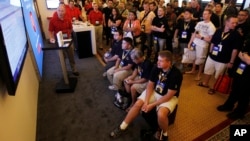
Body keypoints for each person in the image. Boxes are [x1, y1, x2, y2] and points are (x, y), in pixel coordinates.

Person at [110, 50, 183, 141]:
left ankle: (164, 134)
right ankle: (122, 127)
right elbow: (150, 85)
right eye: (158, 60)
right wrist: (146, 101)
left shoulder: (176, 74)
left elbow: (169, 95)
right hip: (155, 92)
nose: (157, 62)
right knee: (137, 104)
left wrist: (151, 105)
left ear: (169, 62)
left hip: (169, 97)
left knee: (161, 114)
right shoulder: (156, 67)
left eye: (161, 61)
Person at [197, 15, 242, 94]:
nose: (235, 24)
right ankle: (205, 83)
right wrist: (210, 52)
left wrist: (231, 62)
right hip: (212, 56)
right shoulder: (218, 31)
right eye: (233, 23)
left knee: (218, 75)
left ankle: (214, 87)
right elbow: (213, 42)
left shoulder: (236, 35)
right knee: (208, 70)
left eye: (236, 23)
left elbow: (235, 50)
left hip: (223, 59)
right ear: (226, 22)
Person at [217, 33, 250, 120]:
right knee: (235, 87)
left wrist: (244, 56)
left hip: (248, 71)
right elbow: (241, 53)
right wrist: (244, 56)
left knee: (245, 92)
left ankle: (240, 112)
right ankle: (229, 105)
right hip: (242, 66)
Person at [49, 4, 79, 76]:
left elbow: (70, 28)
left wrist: (69, 34)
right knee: (62, 57)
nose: (60, 12)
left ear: (65, 11)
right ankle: (65, 72)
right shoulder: (53, 20)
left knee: (71, 56)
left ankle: (74, 69)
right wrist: (51, 38)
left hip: (68, 40)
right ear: (57, 11)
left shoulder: (68, 19)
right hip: (58, 41)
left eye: (62, 11)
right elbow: (50, 31)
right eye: (59, 10)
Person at [186, 9, 216, 81]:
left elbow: (211, 40)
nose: (204, 15)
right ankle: (193, 70)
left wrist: (201, 37)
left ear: (210, 15)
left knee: (200, 60)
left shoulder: (211, 26)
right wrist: (190, 43)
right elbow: (194, 33)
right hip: (195, 43)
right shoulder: (199, 23)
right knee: (193, 58)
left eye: (206, 14)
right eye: (203, 14)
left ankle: (199, 74)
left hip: (202, 45)